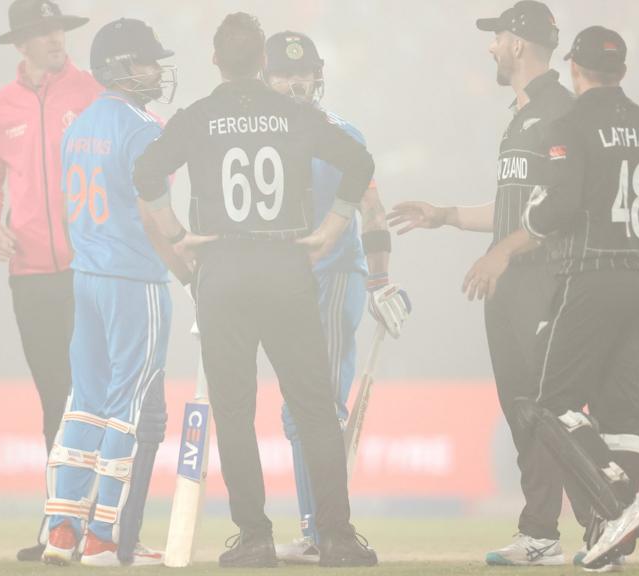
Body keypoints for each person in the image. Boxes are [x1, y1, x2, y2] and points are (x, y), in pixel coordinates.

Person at [134, 12, 379, 568]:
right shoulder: (292, 114)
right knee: (315, 409)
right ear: (263, 62)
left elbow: (146, 172)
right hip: (286, 264)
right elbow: (358, 163)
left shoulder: (197, 118)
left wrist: (176, 233)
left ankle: (254, 537)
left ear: (217, 61)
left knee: (236, 410)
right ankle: (337, 537)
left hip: (222, 269)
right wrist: (331, 230)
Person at [387, 1, 576, 565]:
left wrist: (501, 253)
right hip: (510, 283)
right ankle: (539, 532)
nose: (490, 47)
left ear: (518, 44)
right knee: (522, 408)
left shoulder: (561, 112)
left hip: (543, 280)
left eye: (496, 38)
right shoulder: (520, 115)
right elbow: (513, 206)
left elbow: (559, 210)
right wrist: (445, 214)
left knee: (546, 408)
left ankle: (565, 527)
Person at [519, 25, 639, 570]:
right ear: (622, 71)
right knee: (620, 408)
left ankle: (616, 506)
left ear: (574, 68)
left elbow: (556, 209)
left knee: (552, 402)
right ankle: (610, 543)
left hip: (592, 278)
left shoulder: (570, 125)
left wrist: (534, 215)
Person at [41, 18, 189, 567]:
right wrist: (189, 269)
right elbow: (156, 217)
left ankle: (62, 529)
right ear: (123, 67)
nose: (156, 71)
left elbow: (63, 209)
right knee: (129, 405)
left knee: (85, 403)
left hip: (87, 277)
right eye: (148, 61)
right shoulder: (146, 128)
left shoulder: (77, 126)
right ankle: (106, 539)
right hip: (135, 279)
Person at [261, 30, 407, 564]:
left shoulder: (342, 133)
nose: (296, 82)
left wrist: (381, 279)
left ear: (318, 75)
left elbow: (372, 209)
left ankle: (324, 530)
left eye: (303, 73)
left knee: (315, 408)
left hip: (334, 277)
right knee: (297, 413)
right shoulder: (258, 136)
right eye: (283, 73)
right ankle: (316, 527)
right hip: (278, 283)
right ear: (265, 77)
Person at [0, 0, 101, 560]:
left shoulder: (93, 93)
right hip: (30, 277)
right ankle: (62, 525)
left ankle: (99, 521)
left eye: (59, 30)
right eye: (43, 32)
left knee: (88, 395)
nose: (55, 40)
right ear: (20, 43)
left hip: (89, 270)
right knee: (56, 398)